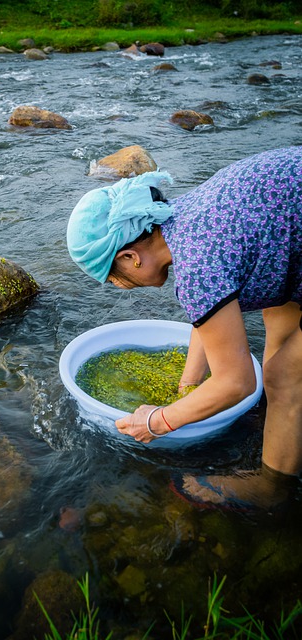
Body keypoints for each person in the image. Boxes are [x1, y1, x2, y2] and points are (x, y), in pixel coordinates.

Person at [66, 147, 302, 508]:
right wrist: (188, 387)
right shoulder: (184, 219)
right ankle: (282, 421)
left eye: (112, 276)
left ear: (131, 257)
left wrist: (158, 421)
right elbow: (211, 316)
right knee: (279, 312)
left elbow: (238, 382)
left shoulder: (196, 268)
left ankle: (272, 490)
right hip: (290, 234)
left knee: (284, 376)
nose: (118, 285)